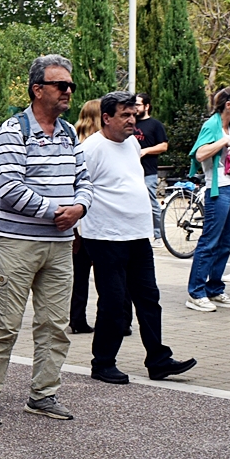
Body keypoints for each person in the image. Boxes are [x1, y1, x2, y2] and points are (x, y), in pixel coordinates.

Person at [0, 55, 90, 424]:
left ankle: (44, 394)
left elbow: (84, 180)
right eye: (61, 85)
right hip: (15, 243)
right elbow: (8, 188)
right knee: (4, 324)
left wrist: (80, 208)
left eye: (70, 85)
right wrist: (58, 212)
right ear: (38, 89)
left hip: (60, 245)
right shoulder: (13, 130)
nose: (68, 91)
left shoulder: (69, 133)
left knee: (55, 325)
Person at [79, 92, 198, 384]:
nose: (133, 120)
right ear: (106, 118)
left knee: (149, 299)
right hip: (106, 237)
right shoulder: (91, 149)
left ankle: (158, 359)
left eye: (134, 114)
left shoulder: (132, 143)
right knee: (113, 302)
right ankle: (103, 362)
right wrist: (77, 232)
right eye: (125, 115)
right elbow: (78, 188)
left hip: (137, 235)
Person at [185, 87, 230, 312]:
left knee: (226, 242)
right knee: (210, 241)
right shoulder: (211, 126)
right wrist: (222, 142)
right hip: (218, 190)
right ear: (228, 105)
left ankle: (214, 288)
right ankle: (196, 292)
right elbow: (200, 154)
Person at [68, 99, 102, 333]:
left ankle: (77, 318)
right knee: (104, 273)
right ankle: (115, 319)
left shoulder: (73, 141)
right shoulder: (98, 145)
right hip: (94, 217)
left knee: (79, 274)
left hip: (77, 219)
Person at [133, 93, 169, 206]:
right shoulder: (130, 123)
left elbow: (164, 146)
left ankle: (157, 219)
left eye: (138, 105)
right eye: (134, 105)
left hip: (148, 171)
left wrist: (146, 151)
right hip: (131, 171)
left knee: (150, 204)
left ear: (147, 106)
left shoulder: (155, 125)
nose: (135, 107)